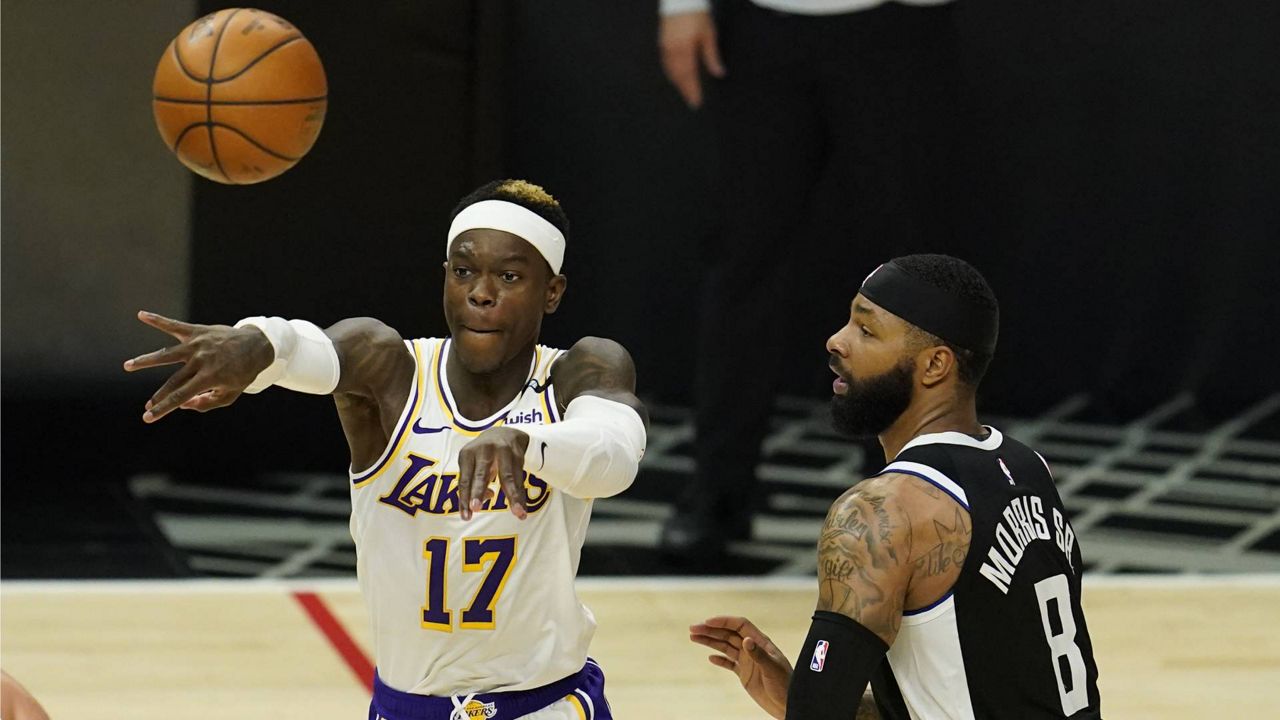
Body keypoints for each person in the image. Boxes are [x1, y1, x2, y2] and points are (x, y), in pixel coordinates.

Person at [125, 180, 647, 720]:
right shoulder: (389, 369)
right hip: (404, 707)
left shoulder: (581, 370)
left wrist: (528, 443)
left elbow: (615, 456)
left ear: (553, 292)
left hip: (544, 706)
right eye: (463, 271)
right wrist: (257, 345)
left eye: (509, 277)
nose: (480, 292)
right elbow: (309, 349)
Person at [689, 255, 1102, 718]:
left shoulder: (882, 511)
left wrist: (808, 701)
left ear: (934, 365)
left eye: (866, 331)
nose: (836, 341)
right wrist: (795, 695)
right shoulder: (1030, 469)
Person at [656, 0, 967, 557]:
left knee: (906, 275)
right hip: (761, 23)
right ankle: (718, 489)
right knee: (742, 260)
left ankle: (903, 489)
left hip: (894, 24)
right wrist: (682, 6)